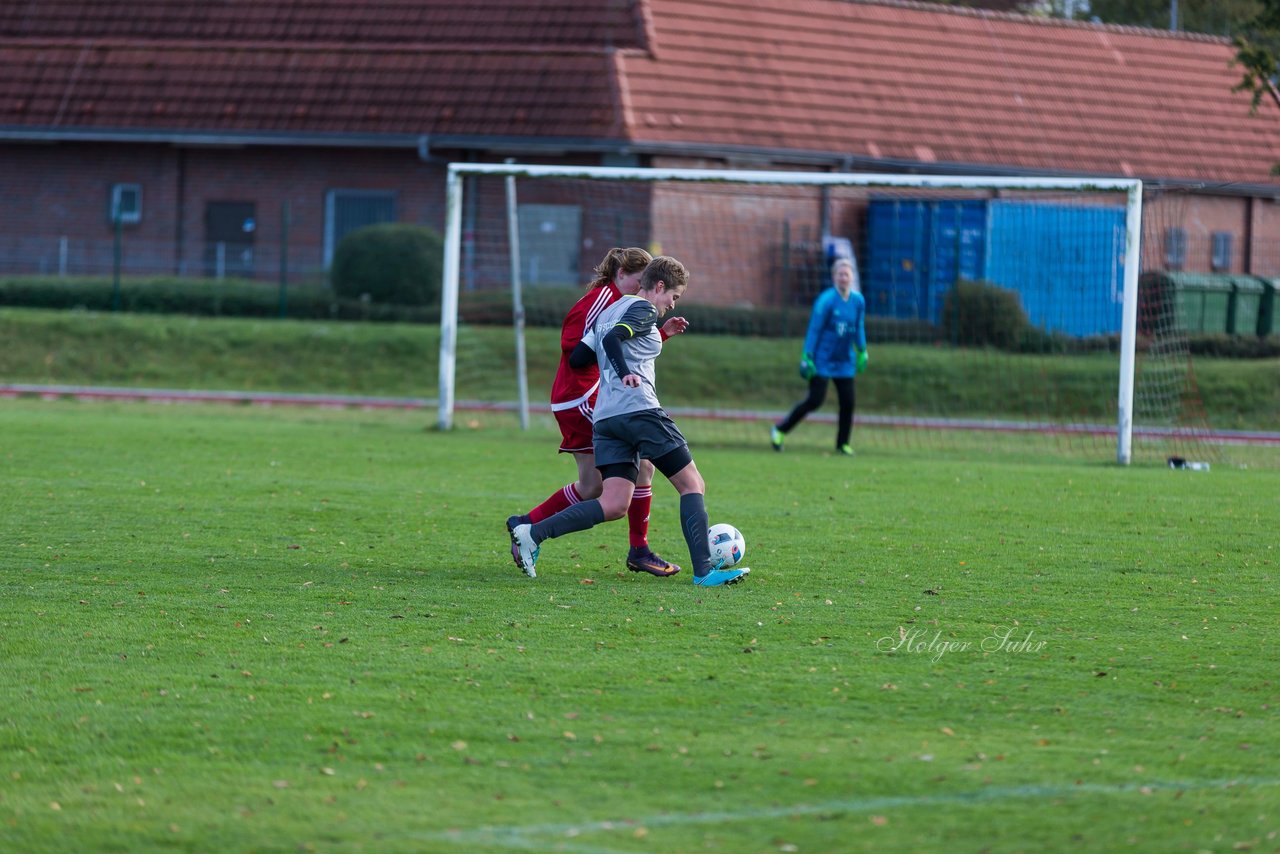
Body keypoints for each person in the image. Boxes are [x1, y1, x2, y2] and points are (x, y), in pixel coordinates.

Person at [509, 256, 748, 587]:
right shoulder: (644, 308)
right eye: (673, 296)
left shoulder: (607, 312)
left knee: (613, 503)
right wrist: (626, 374)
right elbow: (614, 340)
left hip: (607, 419)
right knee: (692, 484)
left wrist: (657, 335)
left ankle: (533, 532)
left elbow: (581, 356)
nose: (670, 304)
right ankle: (705, 572)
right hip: (639, 411)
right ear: (659, 286)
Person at [771, 256, 868, 455]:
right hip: (822, 359)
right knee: (815, 400)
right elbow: (814, 330)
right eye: (839, 274)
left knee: (848, 402)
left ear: (852, 277)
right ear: (834, 278)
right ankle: (780, 430)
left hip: (844, 360)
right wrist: (808, 355)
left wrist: (863, 350)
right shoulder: (826, 301)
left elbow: (858, 327)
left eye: (846, 274)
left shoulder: (858, 301)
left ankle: (842, 444)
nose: (843, 278)